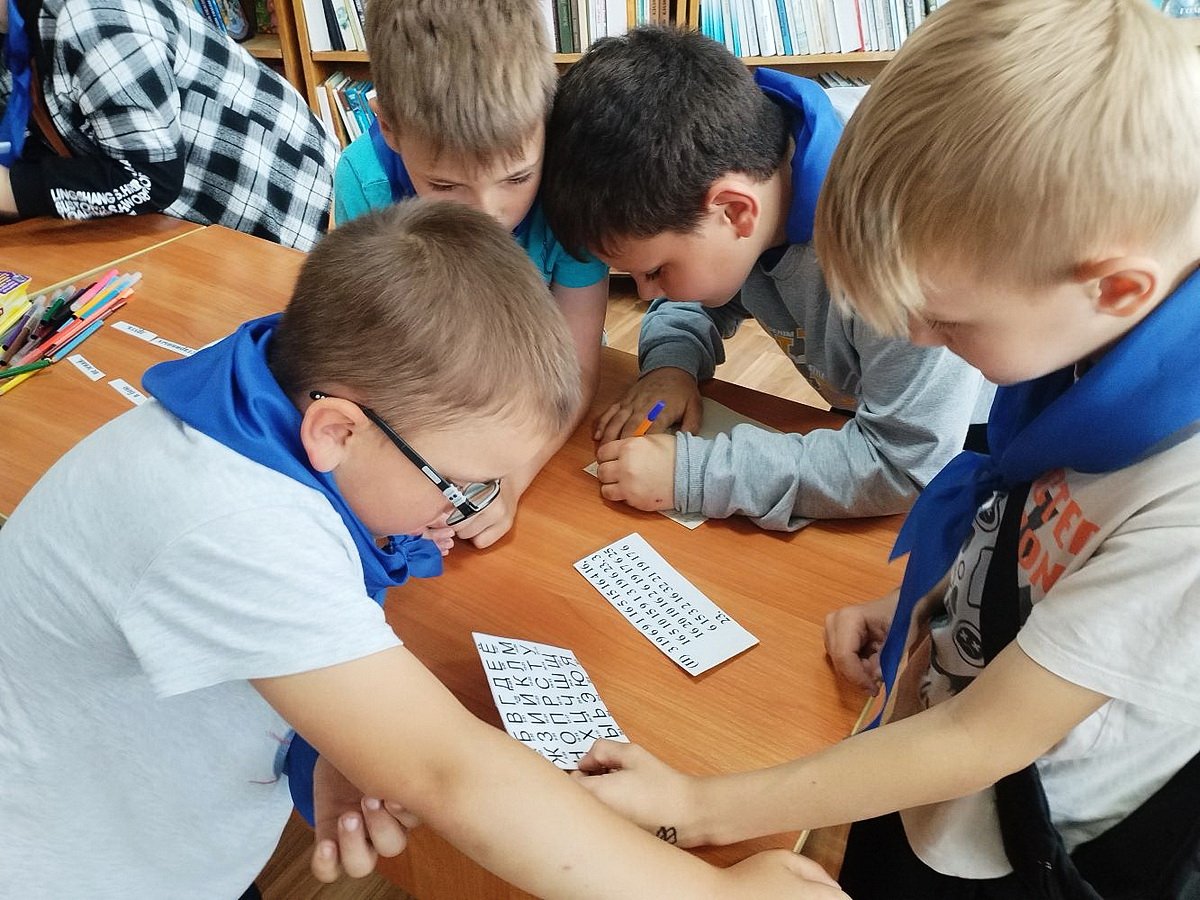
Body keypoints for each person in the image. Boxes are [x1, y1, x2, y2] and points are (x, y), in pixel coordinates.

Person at [0, 199, 846, 899]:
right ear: (338, 431)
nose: (461, 516)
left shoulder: (281, 397)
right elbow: (451, 774)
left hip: (164, 829)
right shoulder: (232, 522)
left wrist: (329, 737)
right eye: (461, 484)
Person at [563, 1, 1200, 896]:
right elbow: (1031, 530)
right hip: (931, 736)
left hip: (1024, 839)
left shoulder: (1181, 507)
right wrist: (927, 597)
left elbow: (982, 740)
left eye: (947, 320)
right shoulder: (1085, 339)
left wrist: (700, 807)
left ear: (1116, 288)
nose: (920, 342)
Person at [542, 26, 992, 532]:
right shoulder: (740, 160)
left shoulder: (900, 250)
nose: (648, 295)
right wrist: (671, 364)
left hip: (980, 440)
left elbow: (902, 464)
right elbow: (694, 296)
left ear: (735, 211)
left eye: (655, 271)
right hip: (876, 411)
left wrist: (696, 474)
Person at [334, 0, 609, 550]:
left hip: (534, 405)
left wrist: (513, 481)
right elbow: (364, 362)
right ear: (386, 125)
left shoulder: (572, 188)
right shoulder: (365, 182)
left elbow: (575, 371)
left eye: (517, 177)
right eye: (444, 185)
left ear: (547, 114)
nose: (487, 216)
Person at [0, 0, 336, 250]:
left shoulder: (90, 14)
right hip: (184, 226)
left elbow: (150, 178)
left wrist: (16, 189)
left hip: (285, 218)